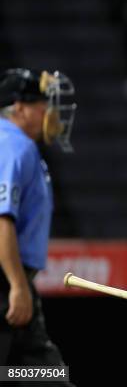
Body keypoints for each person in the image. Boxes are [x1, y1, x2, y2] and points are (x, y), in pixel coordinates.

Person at [0, 68, 76, 386]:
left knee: (35, 374)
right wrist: (16, 285)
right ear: (19, 108)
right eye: (42, 106)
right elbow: (2, 219)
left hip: (13, 281)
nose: (50, 114)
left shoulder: (15, 143)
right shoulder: (13, 145)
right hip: (5, 282)